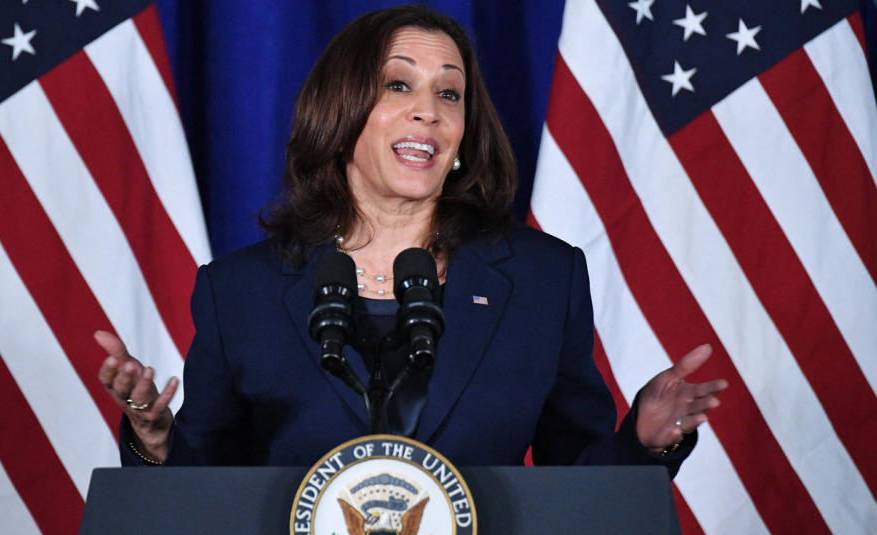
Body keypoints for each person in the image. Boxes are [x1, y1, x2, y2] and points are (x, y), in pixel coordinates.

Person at [96, 5, 727, 473]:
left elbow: (575, 485)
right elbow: (203, 492)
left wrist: (643, 446)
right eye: (399, 85)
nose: (429, 109)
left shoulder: (542, 279)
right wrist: (153, 443)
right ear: (341, 112)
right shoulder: (242, 291)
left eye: (449, 93)